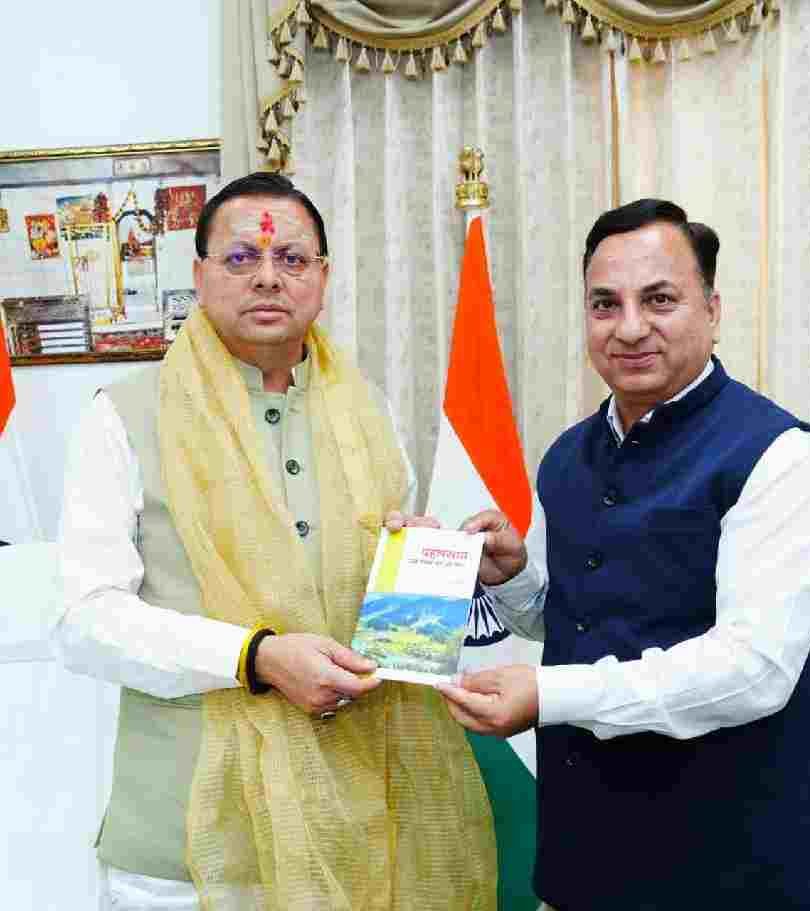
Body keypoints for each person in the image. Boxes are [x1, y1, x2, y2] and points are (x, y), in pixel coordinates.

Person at [55, 172, 496, 911]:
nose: (267, 276)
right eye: (241, 258)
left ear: (323, 277)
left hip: (357, 816)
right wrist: (255, 657)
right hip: (192, 836)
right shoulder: (123, 417)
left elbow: (385, 622)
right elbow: (86, 621)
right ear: (199, 276)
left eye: (292, 258)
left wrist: (420, 569)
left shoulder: (369, 416)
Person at [422, 199, 810, 910]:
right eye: (605, 304)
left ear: (712, 310)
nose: (628, 328)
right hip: (582, 859)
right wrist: (515, 579)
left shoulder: (783, 457)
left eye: (659, 300)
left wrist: (550, 695)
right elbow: (577, 619)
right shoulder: (568, 455)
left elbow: (753, 671)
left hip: (729, 869)